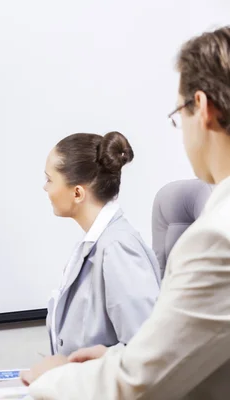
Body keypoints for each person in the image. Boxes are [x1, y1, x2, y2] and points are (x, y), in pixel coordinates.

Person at [22, 26, 230, 399]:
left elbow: (142, 382)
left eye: (178, 113)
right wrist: (114, 360)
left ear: (202, 108)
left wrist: (50, 378)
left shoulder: (217, 237)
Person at [43, 131, 161, 356]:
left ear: (77, 193)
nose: (45, 188)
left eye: (49, 179)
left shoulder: (118, 248)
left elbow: (146, 352)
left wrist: (72, 368)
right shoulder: (94, 244)